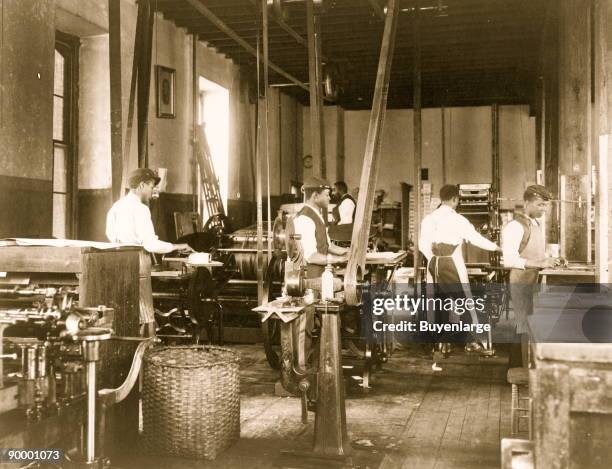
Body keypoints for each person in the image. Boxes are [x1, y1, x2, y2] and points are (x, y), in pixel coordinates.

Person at [419, 184, 501, 369]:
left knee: (436, 302)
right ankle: (474, 341)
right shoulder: (458, 220)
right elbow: (475, 239)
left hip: (433, 263)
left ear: (441, 198)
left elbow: (422, 244)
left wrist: (432, 259)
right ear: (456, 199)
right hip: (451, 262)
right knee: (465, 301)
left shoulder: (429, 219)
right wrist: (495, 247)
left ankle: (437, 344)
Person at [106, 168, 193, 336]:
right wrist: (176, 246)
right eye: (152, 185)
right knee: (143, 310)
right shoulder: (140, 209)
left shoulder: (116, 206)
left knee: (124, 308)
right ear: (141, 185)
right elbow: (151, 244)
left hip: (117, 260)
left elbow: (109, 234)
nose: (154, 189)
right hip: (137, 263)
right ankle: (145, 347)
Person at [502, 184, 558, 368]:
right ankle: (517, 369)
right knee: (523, 324)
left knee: (530, 323)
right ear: (527, 203)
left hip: (534, 279)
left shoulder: (535, 223)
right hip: (521, 280)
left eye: (545, 205)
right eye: (540, 205)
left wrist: (550, 259)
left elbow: (535, 253)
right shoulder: (515, 227)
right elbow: (509, 260)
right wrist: (540, 264)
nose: (543, 209)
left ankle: (526, 368)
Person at [293, 176, 349, 279]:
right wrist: (339, 259)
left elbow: (328, 246)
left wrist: (347, 251)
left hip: (323, 273)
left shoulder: (317, 215)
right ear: (315, 196)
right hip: (312, 277)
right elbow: (311, 256)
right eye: (327, 195)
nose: (330, 198)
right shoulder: (305, 219)